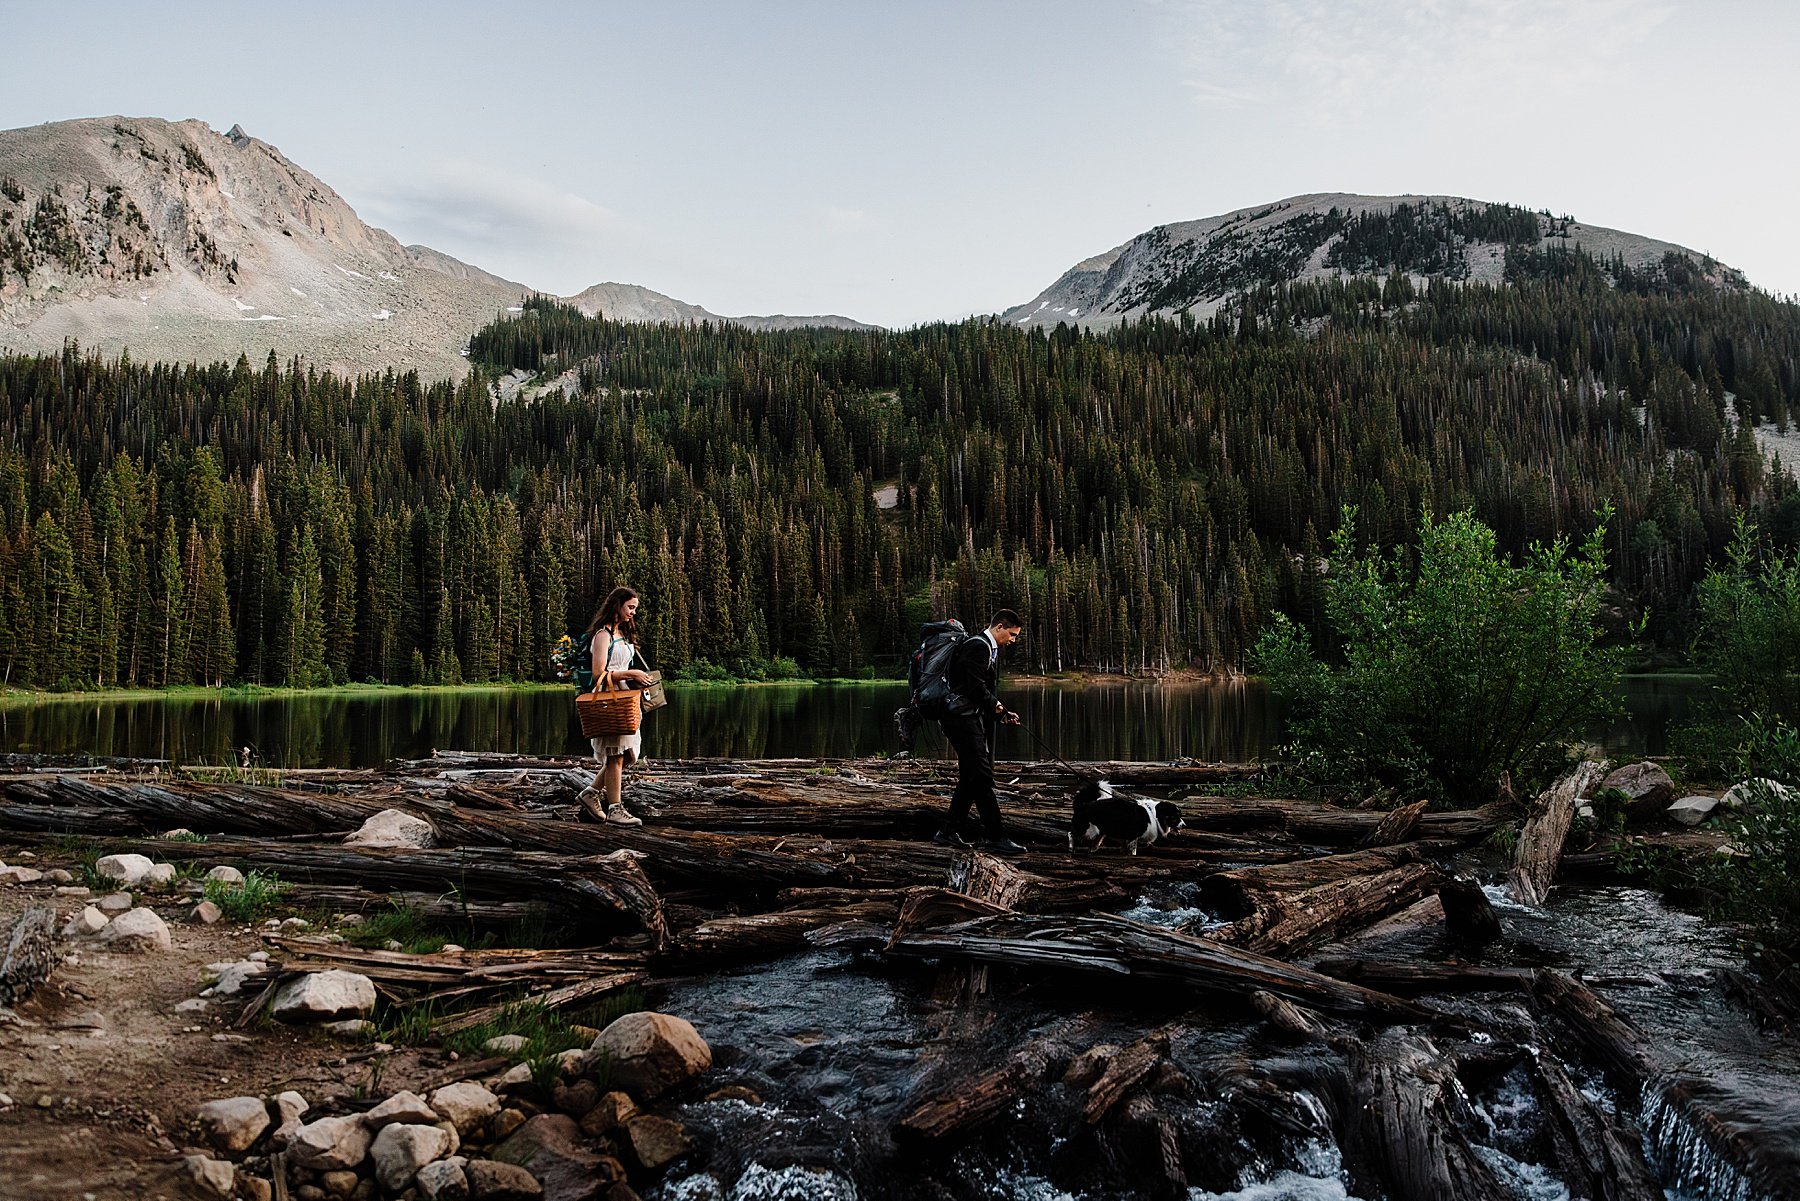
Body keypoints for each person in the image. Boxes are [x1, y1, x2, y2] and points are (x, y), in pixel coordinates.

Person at [932, 608, 1027, 855]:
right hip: (960, 719)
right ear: (999, 628)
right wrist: (999, 709)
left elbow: (977, 688)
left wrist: (1000, 712)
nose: (1013, 640)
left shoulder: (984, 647)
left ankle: (948, 832)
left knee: (970, 777)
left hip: (963, 718)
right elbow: (975, 689)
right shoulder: (979, 647)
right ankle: (996, 837)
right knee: (982, 776)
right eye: (1012, 634)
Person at [579, 585, 654, 826]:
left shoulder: (622, 633)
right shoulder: (603, 635)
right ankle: (615, 809)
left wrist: (637, 682)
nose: (633, 612)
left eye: (635, 608)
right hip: (609, 699)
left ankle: (590, 793)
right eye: (630, 607)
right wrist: (631, 672)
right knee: (615, 756)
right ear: (617, 605)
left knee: (627, 755)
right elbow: (599, 672)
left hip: (625, 698)